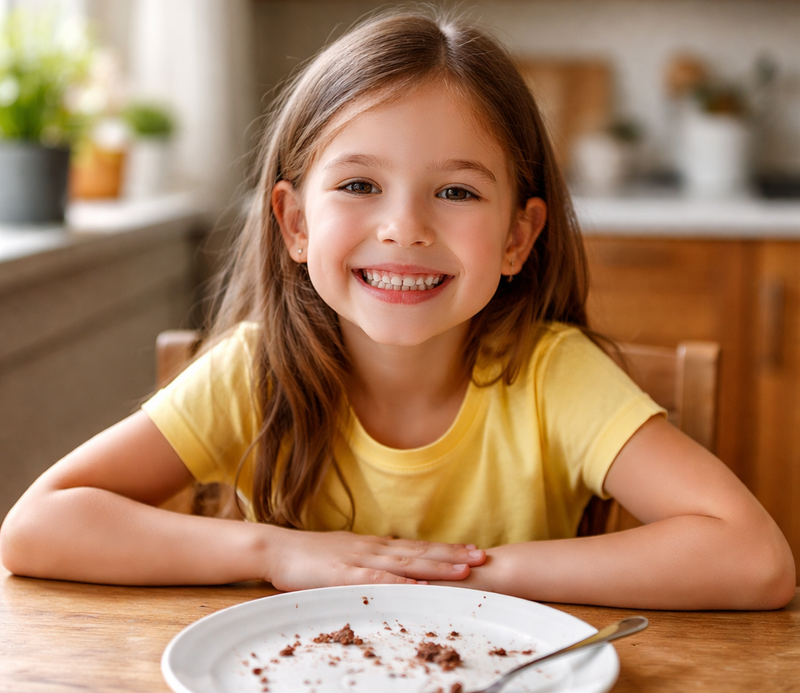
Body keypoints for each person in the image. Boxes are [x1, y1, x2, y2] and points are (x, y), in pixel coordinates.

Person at [0, 11, 794, 609]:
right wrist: (276, 553)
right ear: (296, 224)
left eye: (456, 191)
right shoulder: (257, 371)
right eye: (359, 185)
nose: (404, 228)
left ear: (518, 237)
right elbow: (37, 526)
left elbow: (755, 559)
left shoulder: (554, 376)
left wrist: (476, 573)